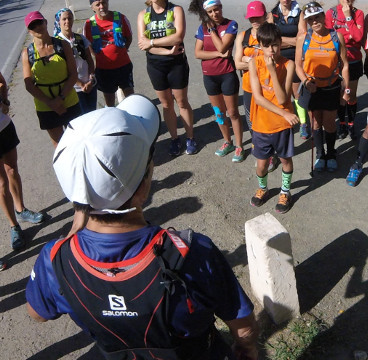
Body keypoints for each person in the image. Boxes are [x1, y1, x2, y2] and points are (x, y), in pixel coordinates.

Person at [26, 94, 259, 360]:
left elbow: (37, 314)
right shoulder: (193, 252)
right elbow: (242, 325)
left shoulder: (54, 260)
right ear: (145, 184)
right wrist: (246, 349)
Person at [137, 0, 197, 156]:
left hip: (176, 64)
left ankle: (190, 138)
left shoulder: (176, 10)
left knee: (182, 102)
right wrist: (166, 51)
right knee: (166, 104)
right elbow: (142, 44)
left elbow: (178, 37)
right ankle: (174, 139)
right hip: (156, 64)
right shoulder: (143, 14)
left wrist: (152, 43)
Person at [189, 0, 245, 162]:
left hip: (227, 74)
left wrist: (213, 31)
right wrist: (219, 55)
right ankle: (227, 142)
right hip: (209, 76)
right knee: (219, 113)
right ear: (206, 12)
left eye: (217, 9)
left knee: (233, 112)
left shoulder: (231, 25)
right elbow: (197, 53)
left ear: (221, 7)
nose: (215, 14)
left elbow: (222, 47)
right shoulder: (201, 27)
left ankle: (239, 146)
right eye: (211, 11)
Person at [249, 22, 298, 214]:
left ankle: (285, 191)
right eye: (267, 45)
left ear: (281, 43)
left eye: (275, 45)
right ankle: (262, 188)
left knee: (286, 160)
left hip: (282, 126)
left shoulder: (288, 64)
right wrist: (285, 112)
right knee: (261, 166)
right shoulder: (254, 63)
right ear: (260, 45)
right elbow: (258, 98)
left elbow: (282, 98)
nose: (271, 50)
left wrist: (272, 71)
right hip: (262, 125)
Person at [295, 2, 350, 172]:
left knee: (329, 123)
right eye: (310, 19)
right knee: (316, 123)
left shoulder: (336, 37)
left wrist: (346, 90)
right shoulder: (303, 38)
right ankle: (320, 154)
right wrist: (305, 82)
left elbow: (345, 65)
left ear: (324, 16)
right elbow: (298, 65)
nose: (314, 21)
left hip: (331, 87)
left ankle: (331, 153)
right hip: (311, 87)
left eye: (317, 16)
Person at [22, 11, 80, 148]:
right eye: (33, 25)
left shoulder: (63, 45)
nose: (38, 27)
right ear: (29, 31)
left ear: (45, 22)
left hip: (69, 100)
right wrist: (50, 103)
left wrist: (59, 99)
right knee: (60, 146)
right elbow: (28, 83)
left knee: (79, 140)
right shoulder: (27, 53)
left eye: (39, 22)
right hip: (45, 106)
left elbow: (73, 75)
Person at [0, 72, 44, 250]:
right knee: (2, 183)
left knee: (12, 170)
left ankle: (21, 211)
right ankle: (14, 227)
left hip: (4, 127)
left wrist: (5, 101)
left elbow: (2, 83)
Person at [268, 0, 309, 142]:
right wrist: (293, 40)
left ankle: (304, 123)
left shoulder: (300, 13)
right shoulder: (272, 14)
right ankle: (285, 120)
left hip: (295, 57)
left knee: (296, 93)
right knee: (281, 92)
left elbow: (303, 36)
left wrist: (281, 40)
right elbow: (271, 39)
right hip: (278, 58)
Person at [325, 0, 364, 140]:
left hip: (353, 60)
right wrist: (348, 36)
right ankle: (341, 122)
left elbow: (358, 37)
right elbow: (330, 37)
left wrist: (348, 18)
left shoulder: (358, 13)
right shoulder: (331, 13)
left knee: (351, 95)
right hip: (336, 61)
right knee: (340, 95)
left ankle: (351, 123)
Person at [84, 0, 134, 107]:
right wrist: (98, 57)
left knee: (131, 98)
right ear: (92, 7)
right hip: (104, 69)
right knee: (109, 100)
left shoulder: (120, 17)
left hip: (123, 66)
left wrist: (120, 51)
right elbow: (88, 45)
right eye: (98, 5)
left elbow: (129, 37)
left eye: (104, 3)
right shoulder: (88, 24)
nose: (102, 7)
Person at [54, 8, 97, 114]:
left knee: (92, 114)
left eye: (69, 18)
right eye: (64, 19)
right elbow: (62, 69)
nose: (67, 21)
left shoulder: (81, 38)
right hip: (74, 88)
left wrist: (91, 78)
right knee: (81, 118)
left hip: (90, 84)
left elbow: (89, 59)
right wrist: (81, 84)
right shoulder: (56, 43)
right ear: (58, 21)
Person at [235, 1, 267, 135]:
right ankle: (258, 148)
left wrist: (248, 60)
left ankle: (271, 151)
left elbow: (274, 61)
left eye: (258, 16)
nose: (254, 20)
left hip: (268, 87)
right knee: (251, 121)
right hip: (249, 87)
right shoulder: (243, 36)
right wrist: (257, 63)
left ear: (265, 15)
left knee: (267, 121)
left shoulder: (271, 34)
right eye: (251, 17)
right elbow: (237, 64)